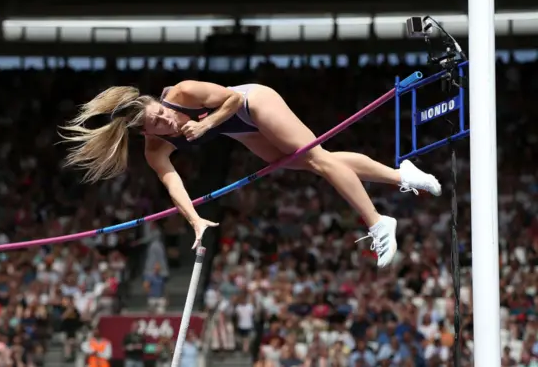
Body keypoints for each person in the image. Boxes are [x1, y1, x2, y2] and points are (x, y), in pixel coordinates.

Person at [61, 82, 441, 267]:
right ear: (144, 133)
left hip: (251, 103)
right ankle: (400, 175)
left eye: (159, 112)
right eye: (155, 124)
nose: (164, 119)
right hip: (239, 130)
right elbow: (171, 182)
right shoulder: (153, 148)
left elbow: (232, 99)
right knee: (314, 161)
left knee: (317, 157)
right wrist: (193, 221)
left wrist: (205, 126)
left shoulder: (183, 92)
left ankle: (378, 221)